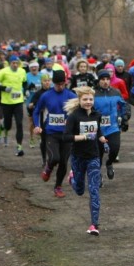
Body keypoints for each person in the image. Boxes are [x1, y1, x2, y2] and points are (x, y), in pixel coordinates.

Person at [62, 86, 106, 235]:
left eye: (90, 99)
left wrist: (102, 140)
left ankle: (94, 225)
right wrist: (83, 137)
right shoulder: (74, 116)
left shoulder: (97, 115)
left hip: (93, 157)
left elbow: (98, 130)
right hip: (78, 157)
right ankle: (73, 178)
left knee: (94, 191)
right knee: (80, 190)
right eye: (85, 99)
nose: (88, 102)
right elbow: (66, 137)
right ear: (80, 100)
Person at [33, 70, 77, 198]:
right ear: (53, 83)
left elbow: (78, 113)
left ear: (66, 82)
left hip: (66, 134)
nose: (60, 86)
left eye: (62, 84)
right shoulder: (46, 96)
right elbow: (36, 111)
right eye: (58, 84)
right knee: (54, 158)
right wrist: (37, 125)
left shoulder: (71, 96)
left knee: (63, 162)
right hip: (51, 132)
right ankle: (48, 167)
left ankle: (58, 186)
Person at [94, 70, 130, 180]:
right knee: (98, 155)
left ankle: (109, 163)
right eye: (103, 79)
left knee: (115, 149)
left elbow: (124, 105)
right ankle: (98, 175)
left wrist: (125, 118)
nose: (105, 82)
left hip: (112, 127)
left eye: (107, 79)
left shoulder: (116, 92)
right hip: (98, 129)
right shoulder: (93, 93)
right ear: (99, 81)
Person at [0, 55, 28, 156]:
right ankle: (2, 127)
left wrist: (25, 91)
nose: (15, 65)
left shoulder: (22, 71)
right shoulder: (3, 72)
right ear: (9, 63)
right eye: (13, 63)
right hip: (6, 103)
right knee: (8, 126)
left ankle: (19, 146)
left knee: (19, 123)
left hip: (18, 102)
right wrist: (4, 88)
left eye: (17, 63)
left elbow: (25, 83)